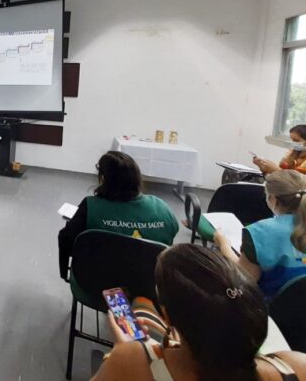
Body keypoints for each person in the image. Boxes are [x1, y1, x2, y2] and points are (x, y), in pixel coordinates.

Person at [91, 243, 306, 381]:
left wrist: (119, 351)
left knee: (141, 305)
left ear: (168, 317)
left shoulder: (132, 360)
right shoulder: (296, 366)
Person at [58, 151, 179, 280]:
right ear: (136, 177)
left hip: (97, 283)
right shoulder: (162, 208)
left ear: (104, 179)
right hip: (149, 284)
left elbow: (67, 240)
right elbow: (170, 240)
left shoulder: (91, 206)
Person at [214, 169, 306, 300]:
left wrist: (223, 245)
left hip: (271, 312)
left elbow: (245, 279)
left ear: (272, 199)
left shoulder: (260, 232)